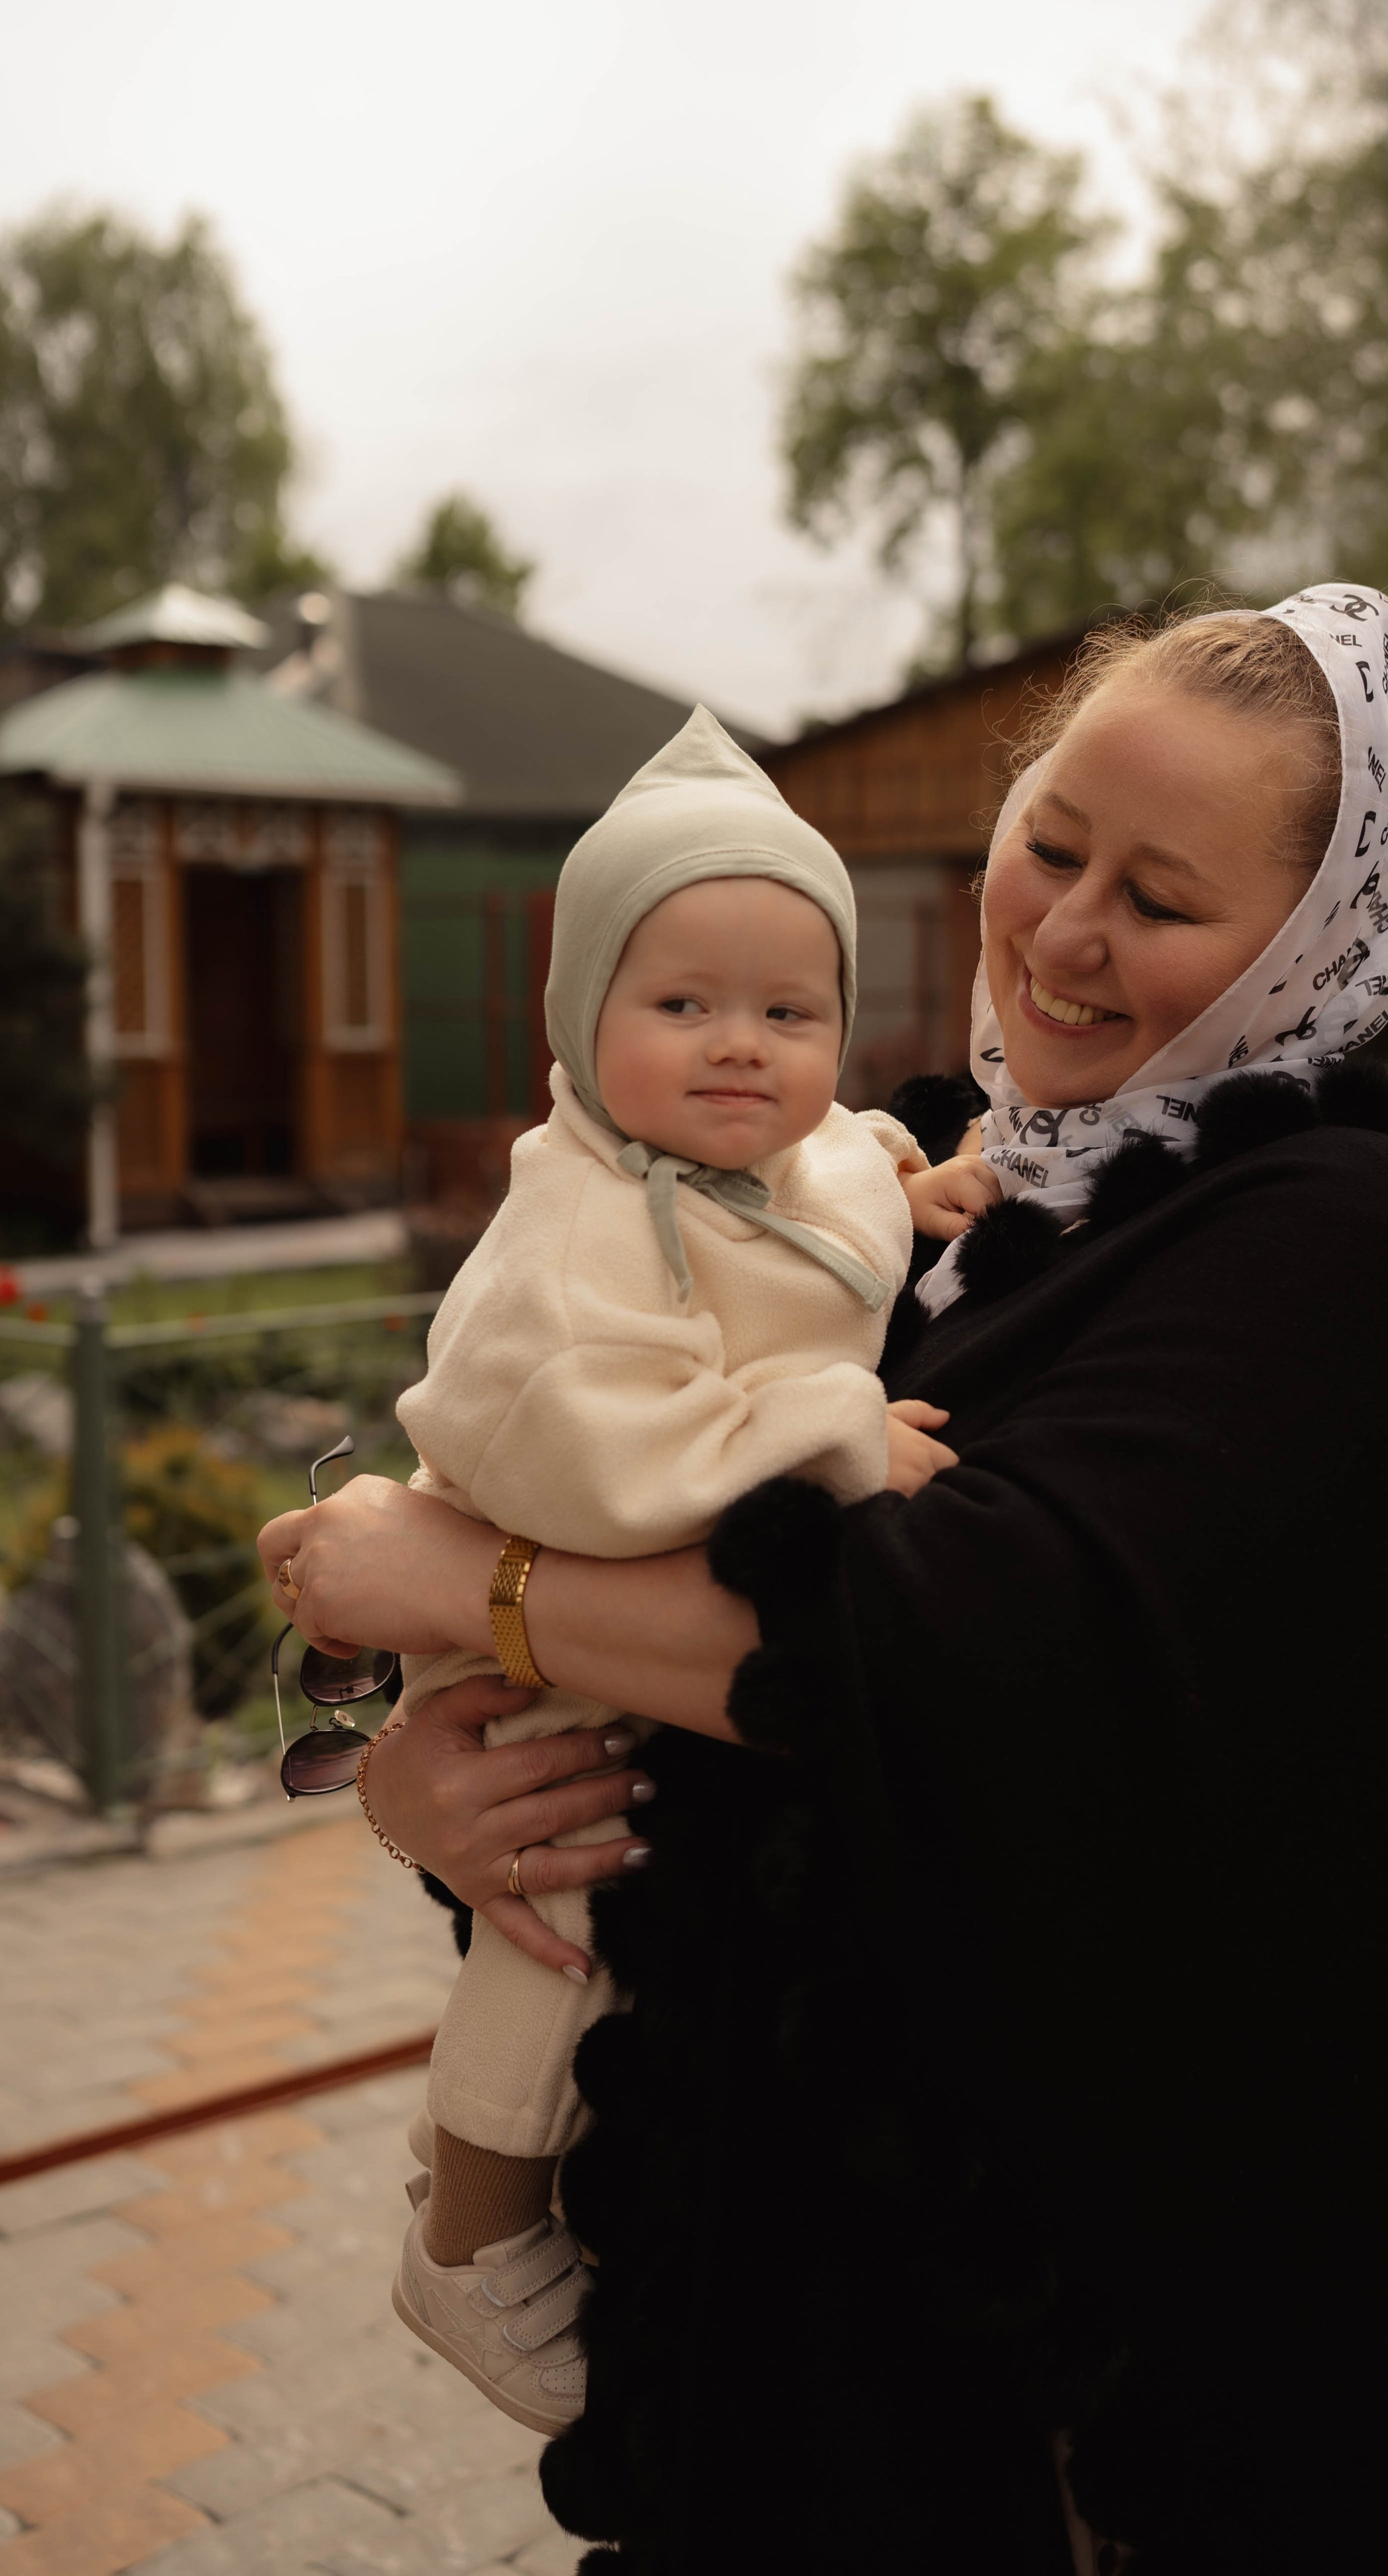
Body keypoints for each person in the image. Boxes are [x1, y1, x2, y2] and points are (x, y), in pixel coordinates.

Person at [261, 586, 1388, 2575]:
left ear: (1310, 950)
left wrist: (465, 1579)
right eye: (1052, 843)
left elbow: (944, 1653)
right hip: (760, 2272)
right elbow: (618, 1532)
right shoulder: (898, 1181)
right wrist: (421, 1782)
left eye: (1161, 898)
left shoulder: (1332, 1244)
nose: (1065, 932)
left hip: (1039, 2343)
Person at [366, 706, 991, 2431]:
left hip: (608, 1594)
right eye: (682, 1006)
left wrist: (921, 1175)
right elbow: (615, 1463)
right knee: (565, 1913)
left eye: (789, 1012)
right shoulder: (566, 1245)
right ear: (581, 1019)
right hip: (534, 1604)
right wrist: (837, 1426)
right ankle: (467, 2236)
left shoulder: (785, 1149)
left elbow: (848, 1152)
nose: (741, 1049)